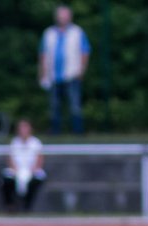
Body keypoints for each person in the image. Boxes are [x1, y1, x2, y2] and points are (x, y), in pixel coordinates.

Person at [39, 5, 90, 135]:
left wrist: (81, 70)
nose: (62, 18)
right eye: (60, 15)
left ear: (70, 17)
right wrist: (43, 73)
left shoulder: (77, 32)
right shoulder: (49, 33)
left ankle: (77, 131)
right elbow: (43, 54)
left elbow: (85, 52)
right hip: (53, 76)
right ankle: (55, 131)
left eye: (65, 15)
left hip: (72, 74)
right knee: (54, 106)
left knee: (75, 105)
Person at [0, 118, 46, 212]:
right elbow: (10, 158)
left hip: (32, 170)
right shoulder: (14, 142)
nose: (23, 130)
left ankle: (27, 205)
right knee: (6, 179)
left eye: (25, 127)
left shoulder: (35, 142)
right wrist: (16, 170)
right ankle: (10, 205)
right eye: (21, 128)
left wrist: (33, 170)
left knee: (37, 180)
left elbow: (40, 158)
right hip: (16, 170)